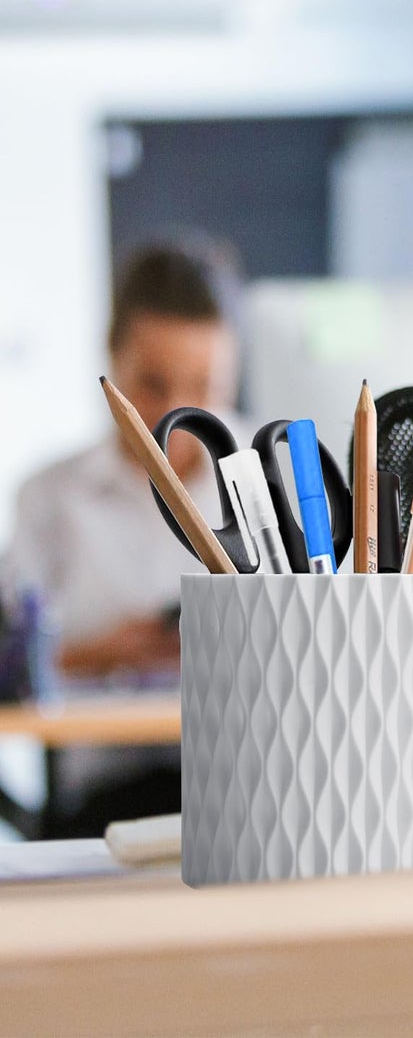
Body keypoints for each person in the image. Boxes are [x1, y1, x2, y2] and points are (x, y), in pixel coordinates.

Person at [4, 237, 242, 833]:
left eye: (204, 385)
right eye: (153, 384)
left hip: (250, 778)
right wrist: (104, 653)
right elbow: (12, 667)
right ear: (111, 360)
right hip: (106, 799)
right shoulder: (49, 497)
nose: (177, 412)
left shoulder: (273, 479)